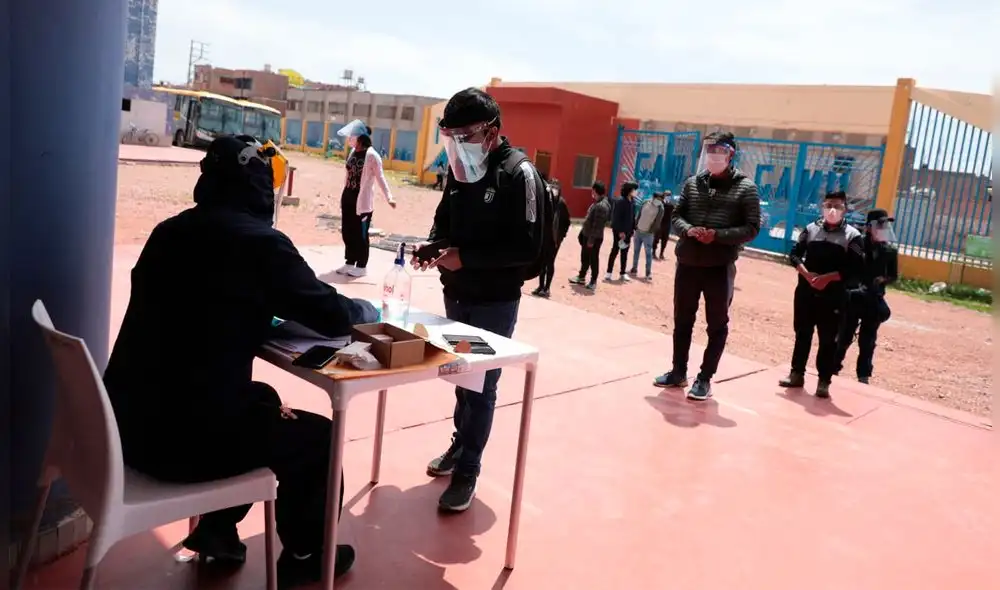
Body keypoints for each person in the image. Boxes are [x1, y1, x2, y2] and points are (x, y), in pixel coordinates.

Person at [103, 135, 380, 587]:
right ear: (258, 186)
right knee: (320, 439)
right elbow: (330, 314)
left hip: (128, 426)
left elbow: (205, 307)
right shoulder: (261, 244)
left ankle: (218, 528)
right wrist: (369, 312)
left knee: (264, 396)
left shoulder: (168, 232)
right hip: (180, 447)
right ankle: (307, 554)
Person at [411, 88, 545, 512]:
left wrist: (463, 257)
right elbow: (444, 222)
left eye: (465, 135)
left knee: (482, 384)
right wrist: (433, 247)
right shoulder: (460, 167)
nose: (458, 145)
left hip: (493, 301)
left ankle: (469, 467)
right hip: (457, 295)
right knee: (460, 377)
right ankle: (459, 446)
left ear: (492, 132)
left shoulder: (518, 173)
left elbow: (527, 250)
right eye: (450, 136)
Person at [653, 132, 761, 401]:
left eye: (718, 150)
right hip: (688, 262)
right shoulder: (692, 183)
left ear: (730, 154)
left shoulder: (746, 188)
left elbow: (752, 228)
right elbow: (677, 215)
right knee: (682, 320)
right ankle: (678, 372)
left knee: (717, 325)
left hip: (719, 266)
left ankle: (704, 378)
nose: (712, 155)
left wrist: (718, 235)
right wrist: (689, 230)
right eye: (708, 150)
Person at [778, 190, 866, 398]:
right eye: (828, 205)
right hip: (805, 292)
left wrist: (827, 278)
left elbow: (854, 270)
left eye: (837, 206)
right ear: (822, 206)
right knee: (802, 333)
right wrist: (807, 275)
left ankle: (824, 381)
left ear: (845, 209)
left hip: (833, 296)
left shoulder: (853, 237)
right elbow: (794, 255)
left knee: (828, 339)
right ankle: (796, 374)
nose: (832, 210)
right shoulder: (810, 230)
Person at [835, 208, 898, 384]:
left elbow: (894, 276)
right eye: (880, 224)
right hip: (854, 298)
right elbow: (845, 269)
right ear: (869, 227)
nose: (883, 227)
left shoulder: (889, 251)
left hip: (873, 299)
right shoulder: (857, 246)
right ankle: (833, 368)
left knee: (868, 340)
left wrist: (883, 279)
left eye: (885, 224)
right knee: (845, 335)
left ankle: (863, 376)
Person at [335, 122, 397, 278]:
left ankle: (361, 266)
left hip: (361, 202)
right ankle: (350, 261)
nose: (350, 139)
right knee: (347, 231)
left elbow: (380, 177)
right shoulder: (352, 152)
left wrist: (389, 197)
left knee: (360, 234)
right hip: (348, 196)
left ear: (360, 138)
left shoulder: (372, 156)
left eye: (352, 137)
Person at [568, 181, 612, 291]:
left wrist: (591, 240)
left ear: (596, 191)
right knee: (585, 257)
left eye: (593, 190)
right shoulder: (597, 203)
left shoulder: (602, 206)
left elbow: (597, 226)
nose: (591, 192)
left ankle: (593, 281)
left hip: (594, 238)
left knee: (593, 259)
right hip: (587, 236)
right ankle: (581, 277)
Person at [532, 178, 571, 298]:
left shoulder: (561, 204)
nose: (554, 189)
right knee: (541, 262)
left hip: (554, 240)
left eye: (556, 187)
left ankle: (547, 288)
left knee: (550, 262)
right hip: (544, 238)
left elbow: (567, 222)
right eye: (552, 186)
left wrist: (561, 236)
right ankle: (540, 286)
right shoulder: (546, 201)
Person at [629, 190, 666, 280]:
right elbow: (639, 214)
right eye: (659, 199)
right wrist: (636, 225)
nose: (660, 201)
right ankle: (634, 268)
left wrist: (651, 231)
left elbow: (657, 222)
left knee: (648, 253)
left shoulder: (660, 209)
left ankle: (648, 272)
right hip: (638, 231)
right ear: (654, 198)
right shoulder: (645, 202)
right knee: (636, 251)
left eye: (661, 200)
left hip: (648, 234)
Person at [605, 182, 638, 282]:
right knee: (615, 250)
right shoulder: (620, 201)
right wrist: (620, 231)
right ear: (629, 190)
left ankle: (622, 273)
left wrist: (633, 229)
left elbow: (632, 217)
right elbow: (616, 218)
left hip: (628, 232)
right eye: (634, 189)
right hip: (619, 231)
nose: (636, 192)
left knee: (625, 252)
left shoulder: (632, 201)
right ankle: (608, 273)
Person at [652, 190, 675, 259]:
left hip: (667, 224)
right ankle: (653, 252)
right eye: (667, 195)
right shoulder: (660, 204)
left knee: (665, 240)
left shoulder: (671, 205)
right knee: (656, 239)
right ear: (664, 195)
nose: (668, 196)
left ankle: (661, 254)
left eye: (669, 195)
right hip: (660, 224)